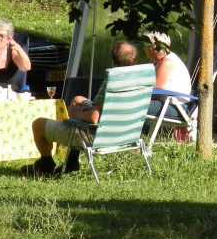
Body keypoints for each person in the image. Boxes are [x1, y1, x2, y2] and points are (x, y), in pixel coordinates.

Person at [22, 40, 138, 177]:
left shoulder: (114, 81)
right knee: (78, 99)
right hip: (124, 132)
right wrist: (84, 107)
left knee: (38, 124)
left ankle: (46, 164)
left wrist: (76, 112)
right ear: (134, 60)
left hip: (97, 136)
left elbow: (94, 118)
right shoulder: (137, 79)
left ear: (113, 60)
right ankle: (72, 160)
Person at [143, 31, 193, 136]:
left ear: (154, 48)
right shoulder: (159, 60)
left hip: (175, 107)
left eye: (146, 47)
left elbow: (156, 89)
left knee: (134, 106)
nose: (145, 50)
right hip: (168, 104)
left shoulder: (167, 62)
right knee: (132, 104)